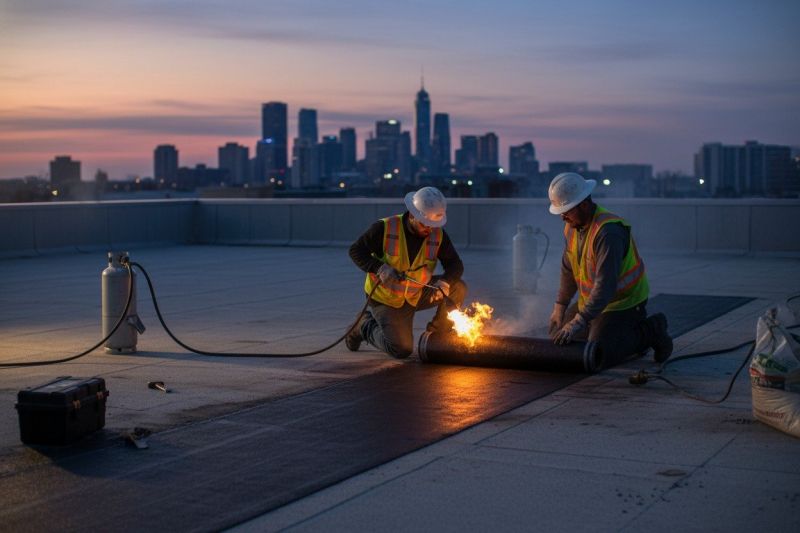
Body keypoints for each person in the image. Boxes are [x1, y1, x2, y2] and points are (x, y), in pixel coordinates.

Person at [546, 172, 673, 367]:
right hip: (594, 302)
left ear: (584, 205)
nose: (563, 216)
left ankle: (651, 330)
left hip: (624, 303)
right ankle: (600, 327)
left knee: (600, 352)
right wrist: (560, 305)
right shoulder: (572, 226)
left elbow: (605, 287)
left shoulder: (608, 233)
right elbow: (568, 268)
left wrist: (579, 321)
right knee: (558, 340)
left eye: (567, 210)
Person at [346, 186, 467, 359]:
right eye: (425, 224)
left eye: (433, 225)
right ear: (412, 216)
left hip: (416, 293)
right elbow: (356, 251)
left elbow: (455, 264)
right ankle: (363, 325)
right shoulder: (385, 228)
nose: (430, 229)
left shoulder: (437, 234)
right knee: (401, 349)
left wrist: (445, 282)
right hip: (386, 299)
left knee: (458, 287)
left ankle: (435, 338)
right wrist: (380, 268)